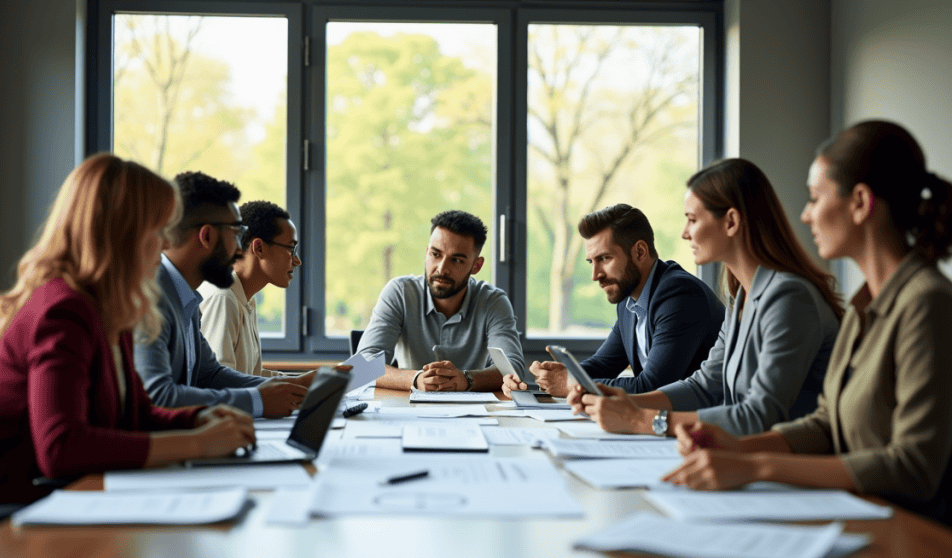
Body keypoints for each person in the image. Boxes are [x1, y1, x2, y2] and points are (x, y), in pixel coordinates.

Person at [664, 121, 952, 524]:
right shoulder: (863, 307)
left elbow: (913, 467)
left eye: (815, 198)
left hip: (909, 534)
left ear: (860, 203)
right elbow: (827, 422)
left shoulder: (927, 302)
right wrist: (736, 448)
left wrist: (756, 466)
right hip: (856, 512)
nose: (804, 214)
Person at [0, 154, 256, 504]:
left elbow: (137, 414)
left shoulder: (109, 309)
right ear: (122, 235)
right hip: (22, 519)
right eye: (157, 232)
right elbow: (61, 448)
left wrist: (199, 418)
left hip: (82, 498)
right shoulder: (63, 309)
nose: (167, 245)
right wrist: (198, 443)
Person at [572, 159, 843, 436]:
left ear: (731, 222)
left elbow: (759, 416)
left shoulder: (789, 298)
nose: (684, 232)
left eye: (692, 219)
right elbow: (703, 386)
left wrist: (645, 420)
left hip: (787, 467)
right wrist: (624, 402)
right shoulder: (741, 299)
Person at [504, 204, 725, 398]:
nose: (595, 274)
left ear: (640, 251)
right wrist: (558, 375)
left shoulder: (679, 295)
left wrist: (572, 384)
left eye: (605, 259)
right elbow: (604, 364)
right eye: (591, 261)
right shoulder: (629, 301)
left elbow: (653, 387)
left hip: (705, 429)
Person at [134, 171, 307, 418]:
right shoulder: (153, 297)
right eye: (236, 235)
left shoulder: (185, 296)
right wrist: (257, 400)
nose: (240, 249)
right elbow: (159, 396)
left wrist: (284, 388)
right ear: (207, 236)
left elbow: (209, 374)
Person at [357, 210, 524, 391]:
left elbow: (512, 369)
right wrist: (416, 379)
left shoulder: (493, 301)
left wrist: (467, 379)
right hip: (409, 409)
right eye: (435, 255)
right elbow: (362, 366)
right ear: (426, 253)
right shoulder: (400, 292)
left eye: (457, 260)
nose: (442, 269)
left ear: (476, 265)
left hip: (475, 413)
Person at [198, 200, 300, 377]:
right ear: (259, 248)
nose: (297, 261)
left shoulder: (246, 299)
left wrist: (308, 381)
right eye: (291, 248)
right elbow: (221, 383)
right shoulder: (223, 297)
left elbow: (250, 376)